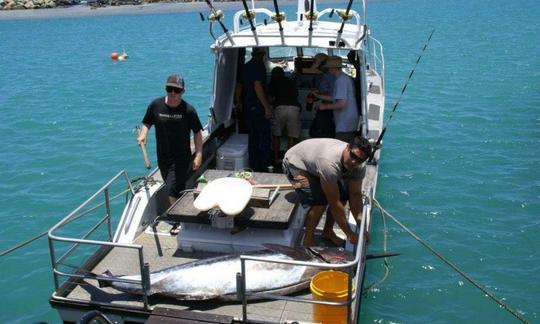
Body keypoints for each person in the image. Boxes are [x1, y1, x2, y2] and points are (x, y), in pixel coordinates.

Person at [282, 135, 372, 246]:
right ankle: (308, 240)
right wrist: (349, 233)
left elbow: (355, 194)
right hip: (295, 164)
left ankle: (328, 231)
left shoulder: (359, 166)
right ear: (347, 147)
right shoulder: (329, 163)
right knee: (321, 201)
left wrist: (362, 226)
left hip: (315, 164)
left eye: (359, 160)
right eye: (353, 156)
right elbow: (334, 203)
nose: (354, 162)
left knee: (344, 196)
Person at [137, 74, 203, 205]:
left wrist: (199, 154)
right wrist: (143, 134)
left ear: (183, 92)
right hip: (162, 156)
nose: (173, 93)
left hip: (181, 157)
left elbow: (197, 133)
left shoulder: (188, 110)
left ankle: (177, 218)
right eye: (169, 89)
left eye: (177, 90)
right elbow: (147, 122)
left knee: (171, 189)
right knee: (176, 187)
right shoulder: (156, 105)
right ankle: (182, 210)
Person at [313, 56, 359, 143]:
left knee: (341, 149)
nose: (328, 70)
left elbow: (341, 104)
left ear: (333, 68)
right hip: (348, 121)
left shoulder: (341, 81)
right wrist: (318, 96)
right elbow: (335, 98)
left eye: (329, 68)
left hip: (345, 124)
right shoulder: (344, 78)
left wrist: (324, 106)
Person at [242, 47, 273, 172]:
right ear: (262, 54)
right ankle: (265, 166)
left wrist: (239, 102)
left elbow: (240, 85)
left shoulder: (246, 66)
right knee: (264, 137)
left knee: (252, 139)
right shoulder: (259, 66)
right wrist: (266, 107)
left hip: (248, 106)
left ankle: (254, 166)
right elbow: (257, 86)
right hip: (258, 107)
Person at [268, 66, 301, 165]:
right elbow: (297, 94)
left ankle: (276, 158)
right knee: (291, 136)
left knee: (276, 135)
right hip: (294, 108)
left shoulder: (272, 82)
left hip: (280, 108)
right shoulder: (290, 81)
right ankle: (288, 161)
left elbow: (270, 99)